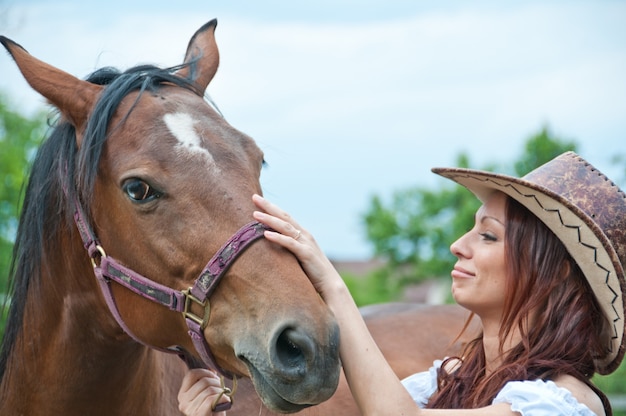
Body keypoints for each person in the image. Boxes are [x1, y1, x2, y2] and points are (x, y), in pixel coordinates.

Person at [178, 151, 625, 416]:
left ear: (558, 274)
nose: (457, 245)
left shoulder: (559, 403)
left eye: (487, 235)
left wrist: (331, 284)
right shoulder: (447, 384)